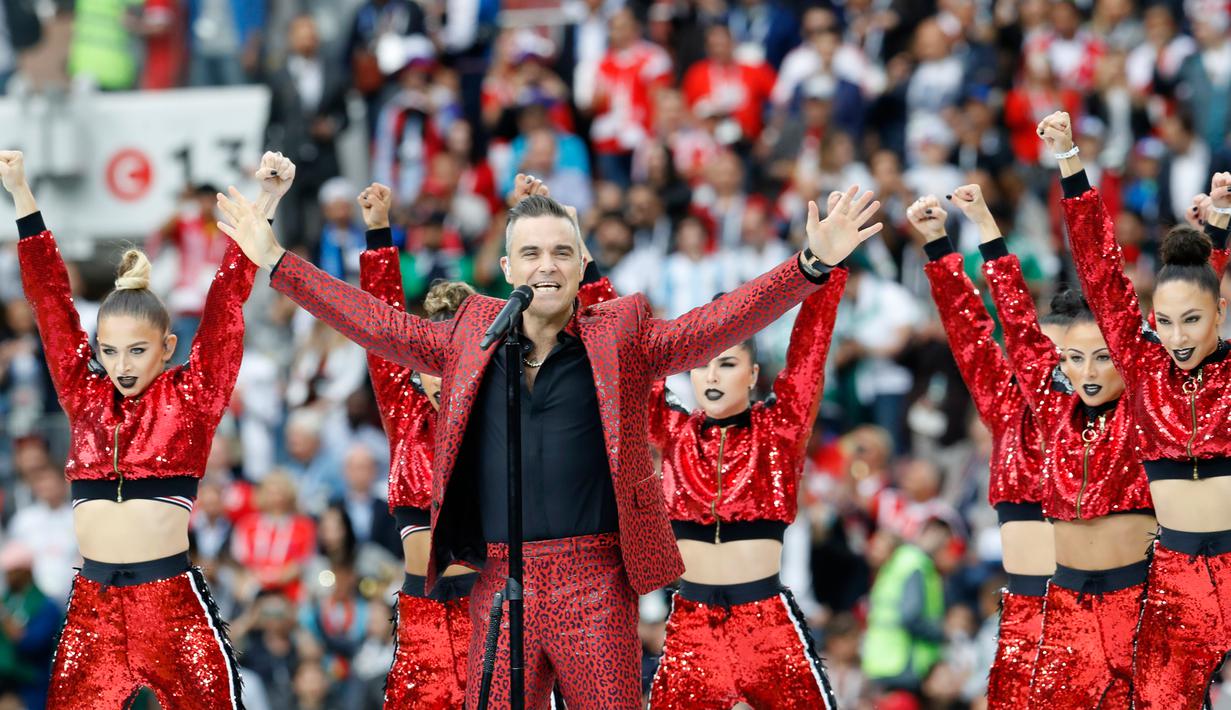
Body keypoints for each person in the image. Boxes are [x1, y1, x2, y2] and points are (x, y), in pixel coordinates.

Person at [216, 170, 883, 707]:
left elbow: (713, 325)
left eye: (562, 251)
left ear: (582, 261)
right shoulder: (470, 335)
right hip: (497, 579)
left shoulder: (620, 336)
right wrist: (274, 260)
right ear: (508, 266)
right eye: (531, 252)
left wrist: (809, 265)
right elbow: (374, 323)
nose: (547, 265)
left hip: (595, 582)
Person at [0, 149, 293, 709]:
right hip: (93, 611)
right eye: (110, 351)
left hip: (171, 606)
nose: (123, 365)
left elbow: (226, 304)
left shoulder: (193, 396)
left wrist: (267, 200)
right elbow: (50, 303)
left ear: (168, 347)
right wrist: (20, 194)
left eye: (138, 350)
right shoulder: (83, 396)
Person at [361, 175, 625, 708]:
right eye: (433, 361)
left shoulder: (501, 409)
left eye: (458, 361)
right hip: (423, 618)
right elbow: (379, 328)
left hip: (502, 605)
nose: (445, 373)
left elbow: (571, 325)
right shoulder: (405, 415)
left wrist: (553, 236)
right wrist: (378, 237)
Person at [1039, 109, 1231, 710]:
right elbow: (1099, 268)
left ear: (1220, 314)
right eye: (1164, 323)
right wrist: (1069, 158)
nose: (1176, 336)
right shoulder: (1144, 367)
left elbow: (1201, 288)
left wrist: (1220, 229)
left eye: (1191, 321)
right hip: (1175, 576)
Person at [644, 191, 848, 709]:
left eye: (727, 363)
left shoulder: (780, 429)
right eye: (701, 363)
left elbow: (810, 352)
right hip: (690, 630)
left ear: (754, 374)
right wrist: (585, 272)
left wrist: (828, 267)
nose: (711, 375)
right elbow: (624, 356)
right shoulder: (672, 429)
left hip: (767, 628)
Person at [969, 169, 1154, 706]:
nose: (1088, 372)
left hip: (1138, 603)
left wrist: (1070, 166)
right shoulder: (1053, 410)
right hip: (1065, 606)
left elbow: (1108, 278)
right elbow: (1016, 323)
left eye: (1103, 357)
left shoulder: (1145, 408)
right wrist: (984, 226)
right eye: (1074, 359)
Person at [907, 187, 1057, 710]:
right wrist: (938, 243)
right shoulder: (1006, 409)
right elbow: (973, 330)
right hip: (1020, 621)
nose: (1056, 364)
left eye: (1086, 356)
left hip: (1092, 613)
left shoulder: (1105, 419)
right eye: (1058, 352)